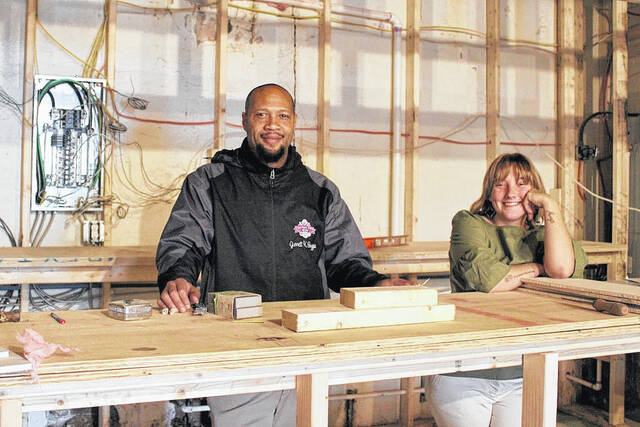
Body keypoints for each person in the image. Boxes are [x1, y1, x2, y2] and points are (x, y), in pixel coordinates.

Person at [155, 83, 408, 426]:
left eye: (282, 116)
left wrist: (375, 284)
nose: (272, 125)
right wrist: (178, 277)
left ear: (294, 123)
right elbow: (184, 242)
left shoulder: (320, 191)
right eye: (262, 115)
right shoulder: (209, 182)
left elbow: (344, 260)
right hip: (236, 348)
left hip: (308, 346)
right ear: (245, 121)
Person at [426, 153, 588, 427]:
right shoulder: (469, 223)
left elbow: (561, 270)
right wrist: (538, 268)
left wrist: (551, 206)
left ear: (535, 191)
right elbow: (491, 280)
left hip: (525, 373)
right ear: (489, 193)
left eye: (522, 183)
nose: (512, 192)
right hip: (464, 373)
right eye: (501, 184)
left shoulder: (544, 235)